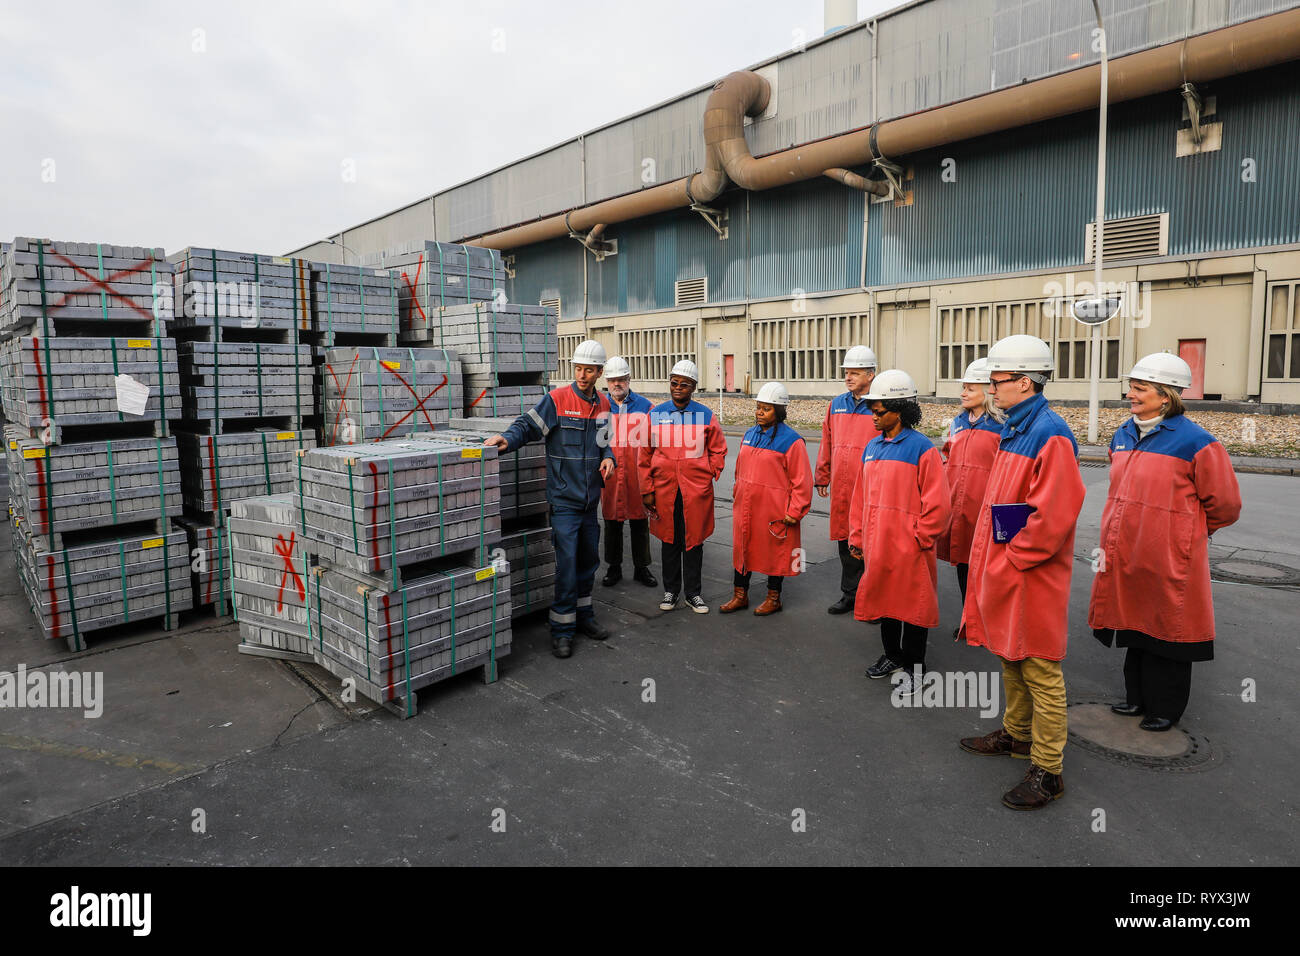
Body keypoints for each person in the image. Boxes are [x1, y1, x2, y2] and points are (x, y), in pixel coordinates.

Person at [957, 334, 1086, 811]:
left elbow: (1054, 515)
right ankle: (1016, 734)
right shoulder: (1017, 425)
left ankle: (1048, 770)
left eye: (997, 381)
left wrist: (1012, 559)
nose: (991, 389)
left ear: (1026, 382)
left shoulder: (1050, 433)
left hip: (1031, 574)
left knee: (1040, 667)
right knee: (1011, 656)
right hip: (1012, 567)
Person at [1088, 352, 1242, 731]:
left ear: (1165, 395)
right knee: (1134, 624)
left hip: (1171, 555)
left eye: (1140, 389)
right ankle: (1136, 698)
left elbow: (1225, 505)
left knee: (1170, 630)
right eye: (1131, 388)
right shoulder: (1123, 434)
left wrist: (1188, 534)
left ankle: (1165, 708)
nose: (1131, 395)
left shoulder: (1197, 443)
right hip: (1127, 552)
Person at [486, 339, 615, 659]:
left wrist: (609, 458)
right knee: (567, 566)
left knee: (588, 563)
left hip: (590, 503)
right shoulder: (557, 400)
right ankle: (562, 629)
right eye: (578, 369)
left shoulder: (604, 404)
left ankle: (584, 616)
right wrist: (507, 439)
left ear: (599, 372)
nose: (582, 375)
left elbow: (606, 442)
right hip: (564, 502)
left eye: (589, 370)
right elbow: (527, 426)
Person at [846, 370, 951, 697]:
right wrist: (857, 536)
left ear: (901, 410)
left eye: (879, 411)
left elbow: (939, 506)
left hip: (910, 549)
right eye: (872, 410)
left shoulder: (922, 449)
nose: (874, 417)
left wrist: (919, 538)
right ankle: (892, 655)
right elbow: (860, 498)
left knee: (914, 608)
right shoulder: (872, 447)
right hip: (877, 546)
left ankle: (915, 667)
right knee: (885, 603)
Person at [639, 360, 727, 615]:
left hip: (695, 492)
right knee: (670, 540)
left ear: (694, 387)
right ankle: (671, 590)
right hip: (664, 491)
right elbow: (644, 454)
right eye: (674, 383)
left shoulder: (705, 415)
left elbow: (718, 449)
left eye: (684, 384)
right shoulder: (656, 414)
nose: (678, 387)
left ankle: (693, 594)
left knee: (693, 541)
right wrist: (647, 490)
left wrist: (708, 472)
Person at [720, 382, 813, 616]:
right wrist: (737, 491)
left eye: (766, 409)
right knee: (743, 549)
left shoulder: (792, 441)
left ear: (779, 411)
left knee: (776, 552)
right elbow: (739, 469)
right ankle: (740, 595)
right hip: (746, 507)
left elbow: (802, 481)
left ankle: (774, 598)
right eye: (758, 407)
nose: (760, 412)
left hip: (774, 510)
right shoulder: (749, 435)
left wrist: (795, 511)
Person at [936, 358, 1005, 638]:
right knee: (964, 564)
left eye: (970, 388)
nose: (963, 393)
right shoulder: (957, 423)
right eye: (963, 388)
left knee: (988, 568)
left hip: (986, 510)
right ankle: (970, 620)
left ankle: (990, 623)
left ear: (988, 390)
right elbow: (946, 457)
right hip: (959, 507)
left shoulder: (1002, 426)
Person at [815, 346, 880, 615]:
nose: (848, 377)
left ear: (871, 375)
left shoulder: (880, 405)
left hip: (872, 487)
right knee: (846, 541)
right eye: (846, 372)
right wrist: (822, 475)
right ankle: (850, 594)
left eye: (855, 373)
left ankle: (874, 599)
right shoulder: (836, 405)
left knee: (873, 542)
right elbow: (827, 440)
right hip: (843, 487)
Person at [600, 356, 658, 590]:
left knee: (639, 521)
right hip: (610, 475)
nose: (617, 384)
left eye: (621, 379)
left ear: (629, 379)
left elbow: (655, 444)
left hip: (637, 474)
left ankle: (641, 567)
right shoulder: (600, 407)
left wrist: (653, 477)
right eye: (612, 380)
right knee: (611, 522)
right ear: (607, 381)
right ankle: (613, 567)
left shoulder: (646, 407)